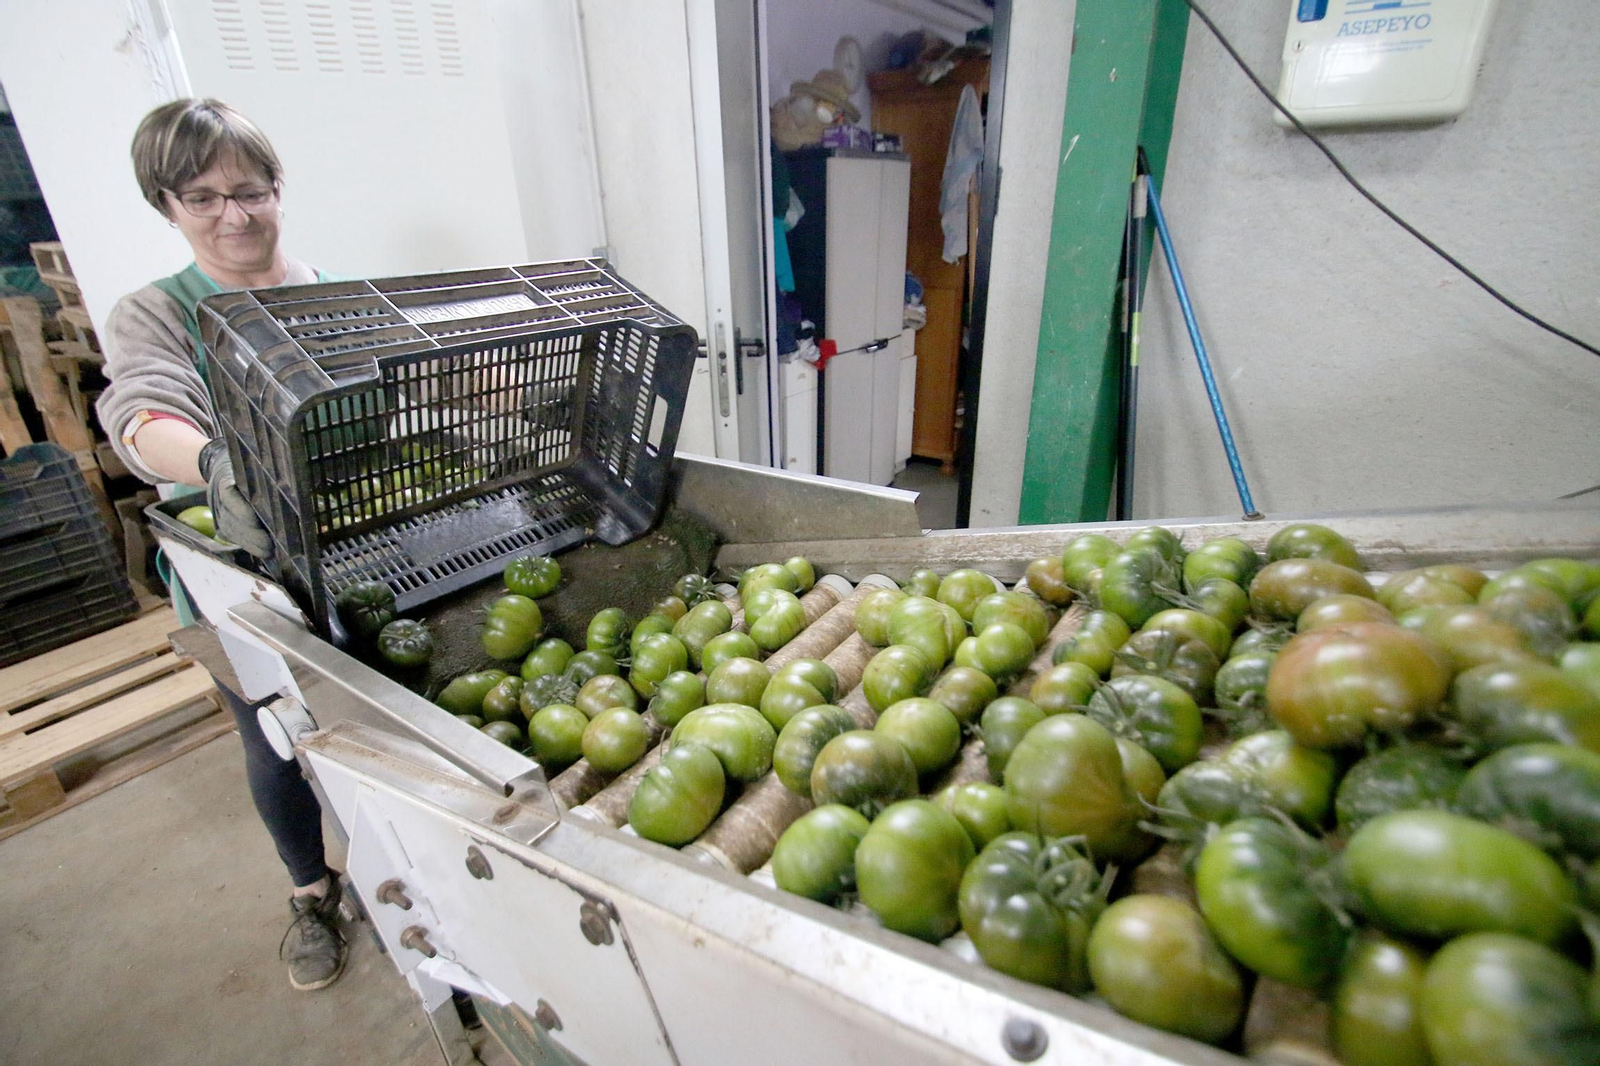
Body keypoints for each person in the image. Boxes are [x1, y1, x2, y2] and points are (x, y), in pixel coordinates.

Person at [96, 98, 347, 992]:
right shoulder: (157, 313)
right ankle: (312, 891)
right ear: (166, 207)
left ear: (279, 187)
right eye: (201, 198)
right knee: (273, 737)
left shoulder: (332, 294)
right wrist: (213, 461)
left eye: (248, 191)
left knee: (371, 728)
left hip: (354, 553)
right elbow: (141, 415)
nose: (232, 216)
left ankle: (409, 873)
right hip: (240, 574)